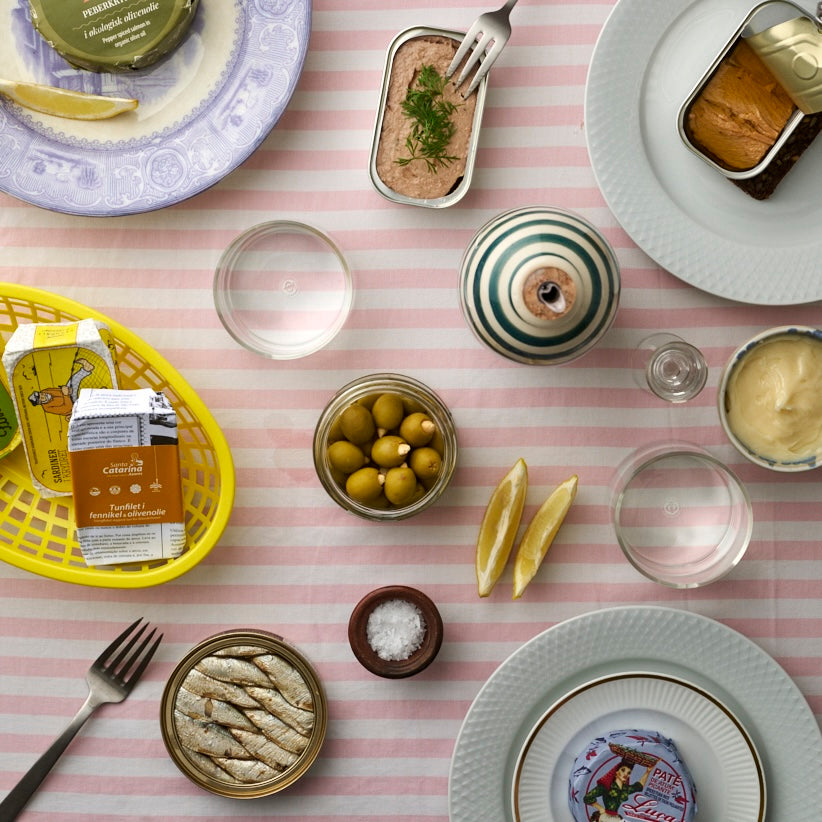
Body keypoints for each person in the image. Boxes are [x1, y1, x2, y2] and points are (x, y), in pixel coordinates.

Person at [583, 757, 653, 821]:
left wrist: (648, 771)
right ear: (616, 772)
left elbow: (639, 786)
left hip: (616, 818)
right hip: (605, 818)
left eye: (629, 773)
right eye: (623, 770)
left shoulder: (625, 789)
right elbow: (587, 797)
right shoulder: (606, 786)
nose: (626, 774)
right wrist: (600, 808)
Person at [27, 357, 94, 418]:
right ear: (40, 403)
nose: (43, 395)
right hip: (73, 406)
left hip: (68, 395)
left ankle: (86, 368)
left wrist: (66, 389)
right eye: (41, 398)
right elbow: (68, 408)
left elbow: (59, 391)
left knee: (72, 380)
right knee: (86, 402)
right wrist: (66, 395)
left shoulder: (45, 391)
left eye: (40, 394)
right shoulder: (47, 408)